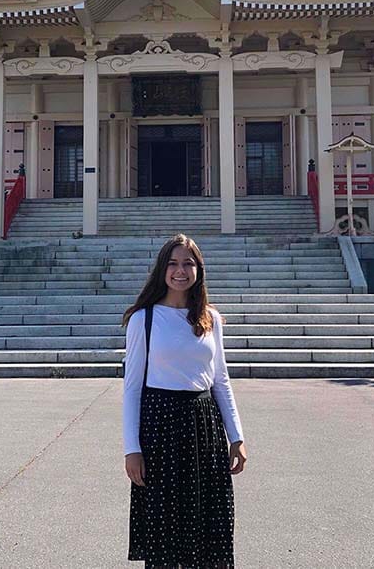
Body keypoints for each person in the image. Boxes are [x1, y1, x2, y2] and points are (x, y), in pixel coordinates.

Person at [122, 233, 247, 569]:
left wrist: (236, 437)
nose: (180, 271)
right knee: (166, 529)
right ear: (162, 269)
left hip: (205, 428)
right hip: (160, 427)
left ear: (198, 270)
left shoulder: (211, 320)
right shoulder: (143, 320)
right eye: (173, 263)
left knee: (209, 528)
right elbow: (132, 387)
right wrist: (131, 448)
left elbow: (220, 380)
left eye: (188, 263)